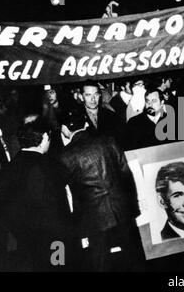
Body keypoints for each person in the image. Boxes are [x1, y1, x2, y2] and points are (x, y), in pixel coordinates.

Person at [58, 108, 141, 271]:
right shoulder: (109, 141)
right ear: (86, 123)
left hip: (94, 219)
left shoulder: (65, 156)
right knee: (135, 258)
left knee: (101, 263)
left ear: (65, 129)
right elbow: (126, 175)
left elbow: (64, 193)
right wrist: (133, 207)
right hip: (123, 211)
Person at [0, 117, 73, 271]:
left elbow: (3, 208)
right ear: (45, 137)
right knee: (59, 268)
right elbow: (57, 207)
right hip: (54, 241)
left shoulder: (8, 169)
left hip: (24, 241)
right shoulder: (47, 165)